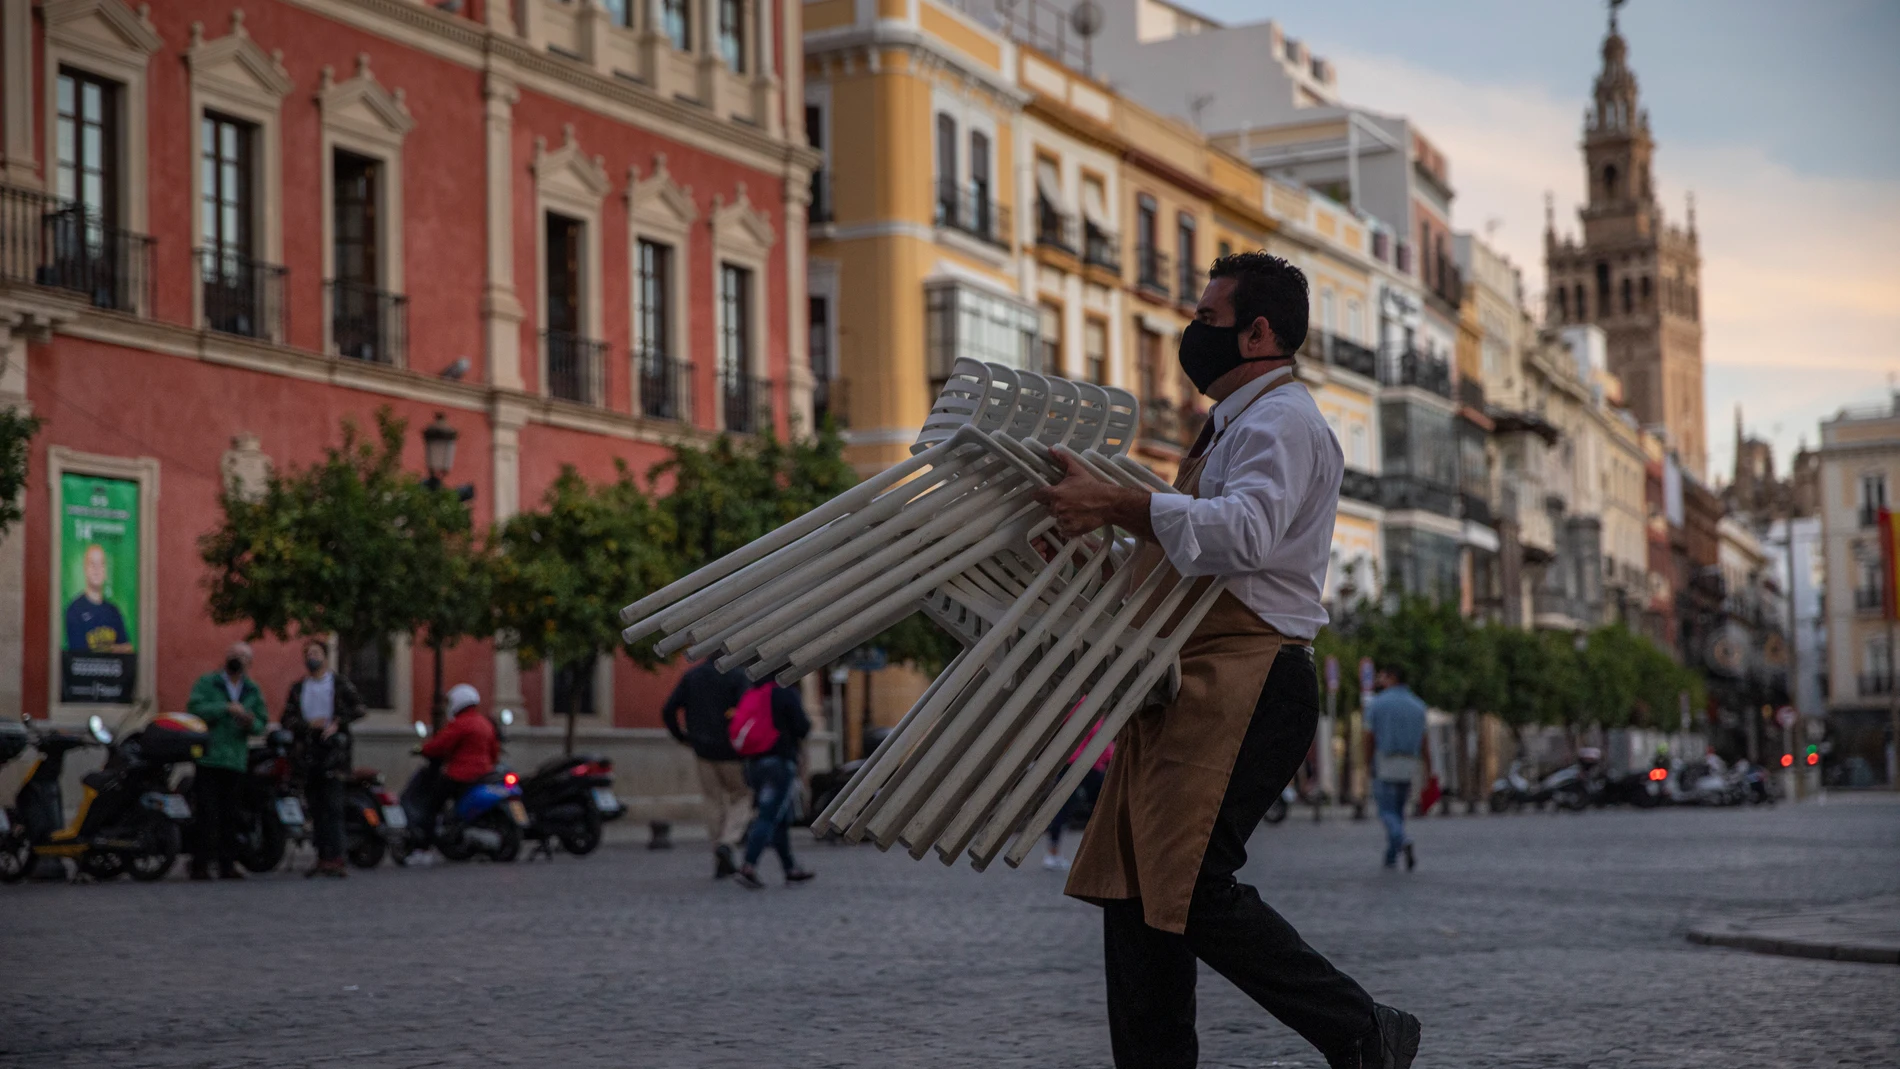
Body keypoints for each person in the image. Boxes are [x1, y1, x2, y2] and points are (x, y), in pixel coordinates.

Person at [1031, 252, 1420, 1069]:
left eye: (1207, 318)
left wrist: (1116, 502)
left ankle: (1360, 1026)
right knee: (1134, 890)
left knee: (1192, 884)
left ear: (1258, 331)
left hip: (1251, 676)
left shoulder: (1284, 422)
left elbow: (1242, 534)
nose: (1191, 332)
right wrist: (1087, 536)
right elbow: (1189, 550)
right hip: (1193, 676)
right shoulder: (1237, 423)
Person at [184, 641, 268, 880]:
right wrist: (225, 708)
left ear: (249, 664)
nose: (237, 659)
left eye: (242, 656)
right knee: (207, 814)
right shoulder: (208, 682)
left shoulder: (252, 690)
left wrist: (250, 722)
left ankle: (227, 864)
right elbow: (195, 708)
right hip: (209, 758)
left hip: (236, 759)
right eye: (233, 654)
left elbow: (261, 722)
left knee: (231, 815)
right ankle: (200, 864)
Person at [661, 657, 751, 878]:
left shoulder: (693, 675)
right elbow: (747, 710)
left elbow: (668, 709)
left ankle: (718, 852)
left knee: (712, 800)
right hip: (732, 752)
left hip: (702, 750)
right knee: (743, 795)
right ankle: (728, 843)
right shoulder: (738, 676)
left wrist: (681, 736)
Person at [283, 640, 365, 879]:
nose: (312, 657)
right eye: (308, 653)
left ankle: (337, 857)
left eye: (316, 653)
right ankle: (321, 856)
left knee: (333, 806)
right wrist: (309, 725)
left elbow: (358, 708)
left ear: (326, 656)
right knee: (316, 808)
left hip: (334, 755)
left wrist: (337, 722)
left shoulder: (339, 684)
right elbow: (287, 717)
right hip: (308, 754)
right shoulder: (299, 688)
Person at [732, 683, 815, 890]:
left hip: (754, 764)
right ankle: (748, 866)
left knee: (780, 817)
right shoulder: (785, 692)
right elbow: (802, 726)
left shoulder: (753, 691)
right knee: (768, 816)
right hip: (778, 763)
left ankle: (790, 868)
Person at [417, 684, 499, 845]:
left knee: (432, 805)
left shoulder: (461, 724)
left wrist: (424, 749)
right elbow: (494, 751)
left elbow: (440, 744)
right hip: (484, 773)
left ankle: (424, 844)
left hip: (460, 774)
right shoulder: (484, 723)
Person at [1364, 665, 1429, 872]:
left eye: (1382, 676)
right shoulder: (1418, 705)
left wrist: (1367, 762)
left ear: (1391, 677)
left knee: (1386, 811)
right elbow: (1424, 741)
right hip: (1409, 762)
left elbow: (1370, 737)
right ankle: (1391, 855)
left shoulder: (1377, 703)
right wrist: (1428, 766)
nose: (1380, 680)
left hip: (1385, 760)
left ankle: (1403, 840)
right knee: (1399, 811)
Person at [1044, 707, 1114, 872]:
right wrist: (1111, 756)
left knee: (1063, 807)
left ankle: (1052, 853)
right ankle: (1103, 853)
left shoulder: (1073, 703)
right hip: (1087, 763)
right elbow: (1098, 736)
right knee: (1106, 806)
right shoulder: (1092, 703)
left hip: (1069, 761)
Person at [64, 544, 132, 654]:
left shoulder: (114, 611)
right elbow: (80, 655)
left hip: (113, 671)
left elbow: (127, 649)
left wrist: (103, 649)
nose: (97, 569)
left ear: (105, 571)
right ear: (85, 569)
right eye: (92, 564)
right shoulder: (74, 610)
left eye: (101, 564)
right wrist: (113, 648)